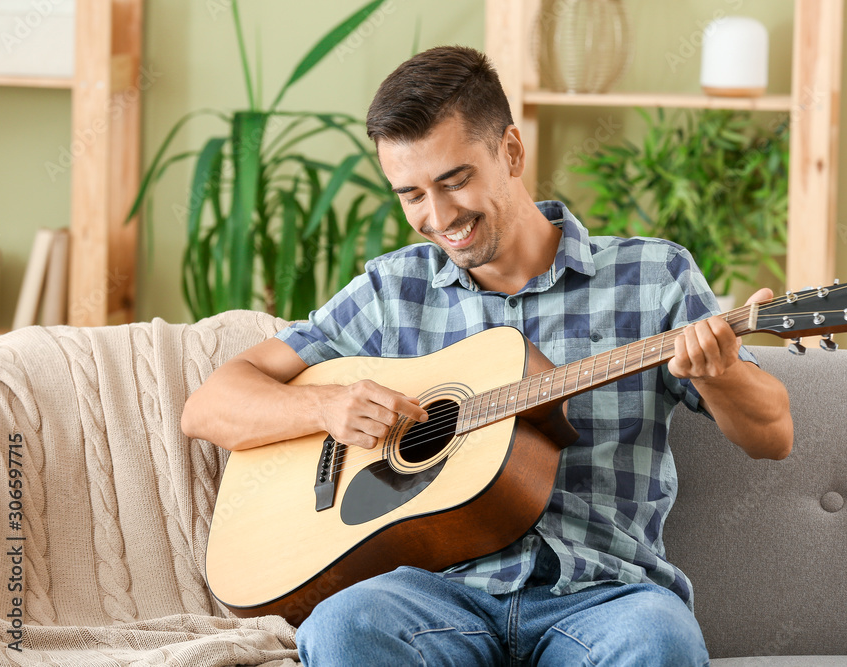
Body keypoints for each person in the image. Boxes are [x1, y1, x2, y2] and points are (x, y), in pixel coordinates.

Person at [182, 45, 792, 666]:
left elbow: (773, 433)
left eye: (455, 181)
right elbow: (209, 406)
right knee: (342, 627)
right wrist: (326, 406)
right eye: (412, 194)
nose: (439, 217)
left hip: (604, 598)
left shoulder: (653, 274)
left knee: (661, 640)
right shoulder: (393, 290)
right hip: (433, 595)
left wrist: (721, 375)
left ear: (511, 151)